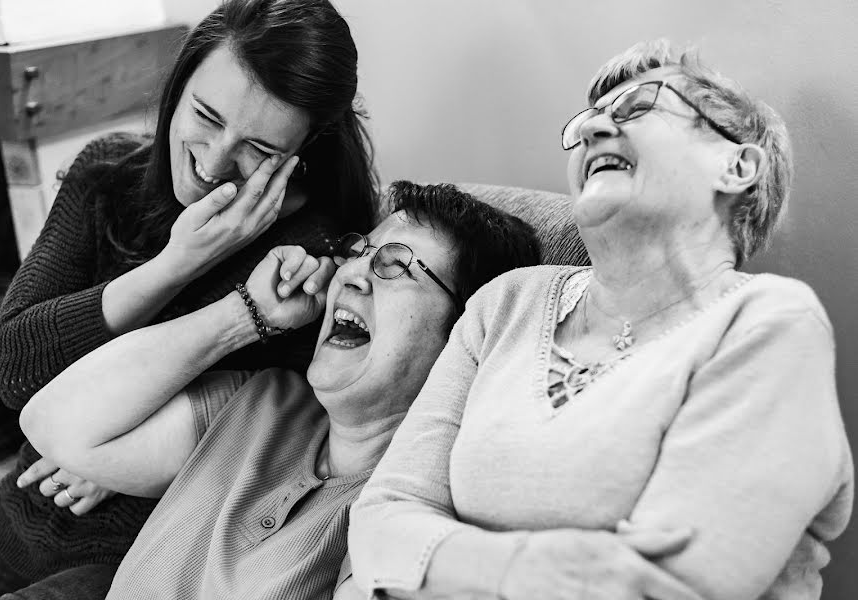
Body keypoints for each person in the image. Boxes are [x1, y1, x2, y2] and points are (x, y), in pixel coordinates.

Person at [349, 40, 854, 600]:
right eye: (588, 120)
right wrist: (521, 567)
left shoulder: (769, 324)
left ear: (737, 166)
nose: (592, 130)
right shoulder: (506, 303)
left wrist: (435, 563)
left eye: (637, 107)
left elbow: (661, 588)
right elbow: (380, 524)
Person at [0, 1, 378, 598]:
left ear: (303, 152)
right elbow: (18, 374)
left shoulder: (310, 262)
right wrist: (179, 263)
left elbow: (281, 438)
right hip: (17, 516)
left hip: (142, 552)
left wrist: (113, 455)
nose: (214, 160)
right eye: (206, 116)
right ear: (176, 90)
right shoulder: (107, 176)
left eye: (259, 149)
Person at [17, 182, 540, 599]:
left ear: (466, 333)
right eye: (358, 252)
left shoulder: (406, 518)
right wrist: (247, 316)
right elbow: (54, 423)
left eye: (393, 264)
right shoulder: (261, 403)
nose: (352, 274)